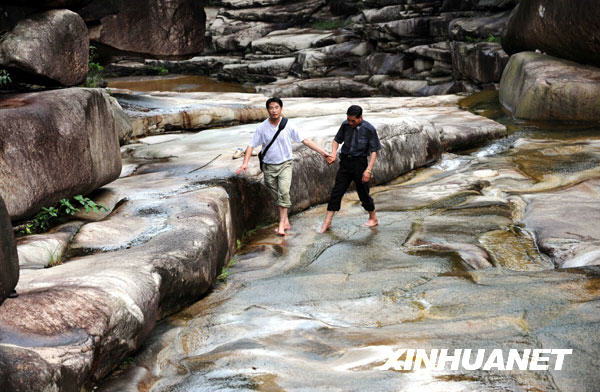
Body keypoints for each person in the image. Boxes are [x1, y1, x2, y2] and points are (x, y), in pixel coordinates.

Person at [237, 97, 330, 236]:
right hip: (268, 166)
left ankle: (282, 225)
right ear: (267, 110)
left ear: (281, 109)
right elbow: (251, 145)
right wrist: (245, 162)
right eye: (271, 108)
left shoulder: (288, 125)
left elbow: (305, 140)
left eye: (276, 108)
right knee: (275, 191)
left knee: (284, 192)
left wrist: (323, 152)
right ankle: (285, 218)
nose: (274, 111)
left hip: (285, 164)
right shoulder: (262, 127)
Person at [320, 105, 381, 233]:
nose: (350, 122)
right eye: (348, 119)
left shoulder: (369, 129)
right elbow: (336, 140)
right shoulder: (345, 125)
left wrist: (368, 170)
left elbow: (374, 151)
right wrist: (333, 153)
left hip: (360, 164)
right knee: (337, 191)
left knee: (363, 193)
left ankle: (373, 218)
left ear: (360, 118)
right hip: (345, 163)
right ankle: (327, 222)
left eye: (353, 120)